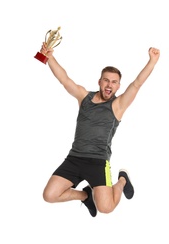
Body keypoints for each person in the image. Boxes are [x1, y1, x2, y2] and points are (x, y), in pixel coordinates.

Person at [40, 41, 160, 217]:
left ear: (118, 86)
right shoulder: (84, 97)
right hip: (74, 158)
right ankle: (85, 195)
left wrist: (152, 61)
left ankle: (122, 181)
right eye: (106, 80)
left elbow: (137, 84)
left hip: (98, 162)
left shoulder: (118, 105)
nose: (109, 85)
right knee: (49, 195)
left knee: (106, 208)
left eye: (114, 82)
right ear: (99, 81)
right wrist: (49, 57)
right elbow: (64, 79)